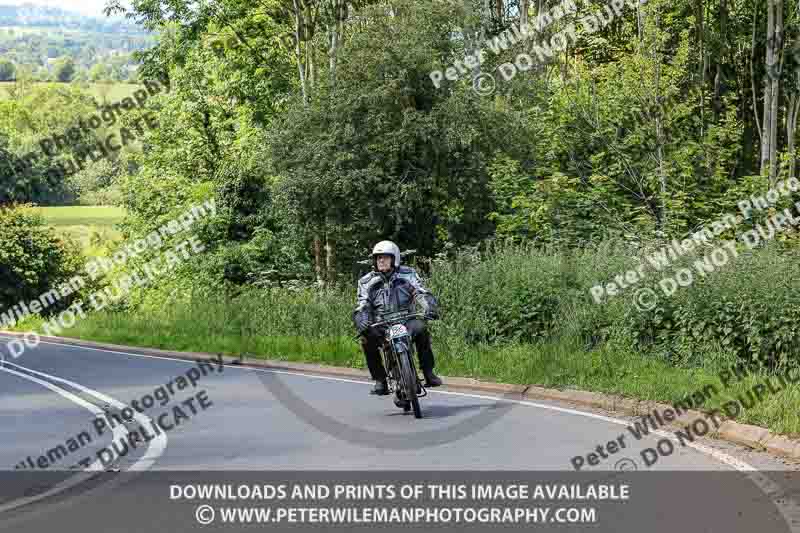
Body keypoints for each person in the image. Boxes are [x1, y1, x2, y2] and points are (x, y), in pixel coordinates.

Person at [352, 240, 443, 397]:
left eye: (385, 257)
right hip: (381, 323)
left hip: (407, 319)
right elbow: (362, 305)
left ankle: (428, 372)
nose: (381, 260)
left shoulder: (408, 274)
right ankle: (380, 380)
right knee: (366, 339)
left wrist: (430, 306)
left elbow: (420, 293)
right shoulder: (366, 281)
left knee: (422, 329)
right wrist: (361, 318)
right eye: (378, 257)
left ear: (394, 259)